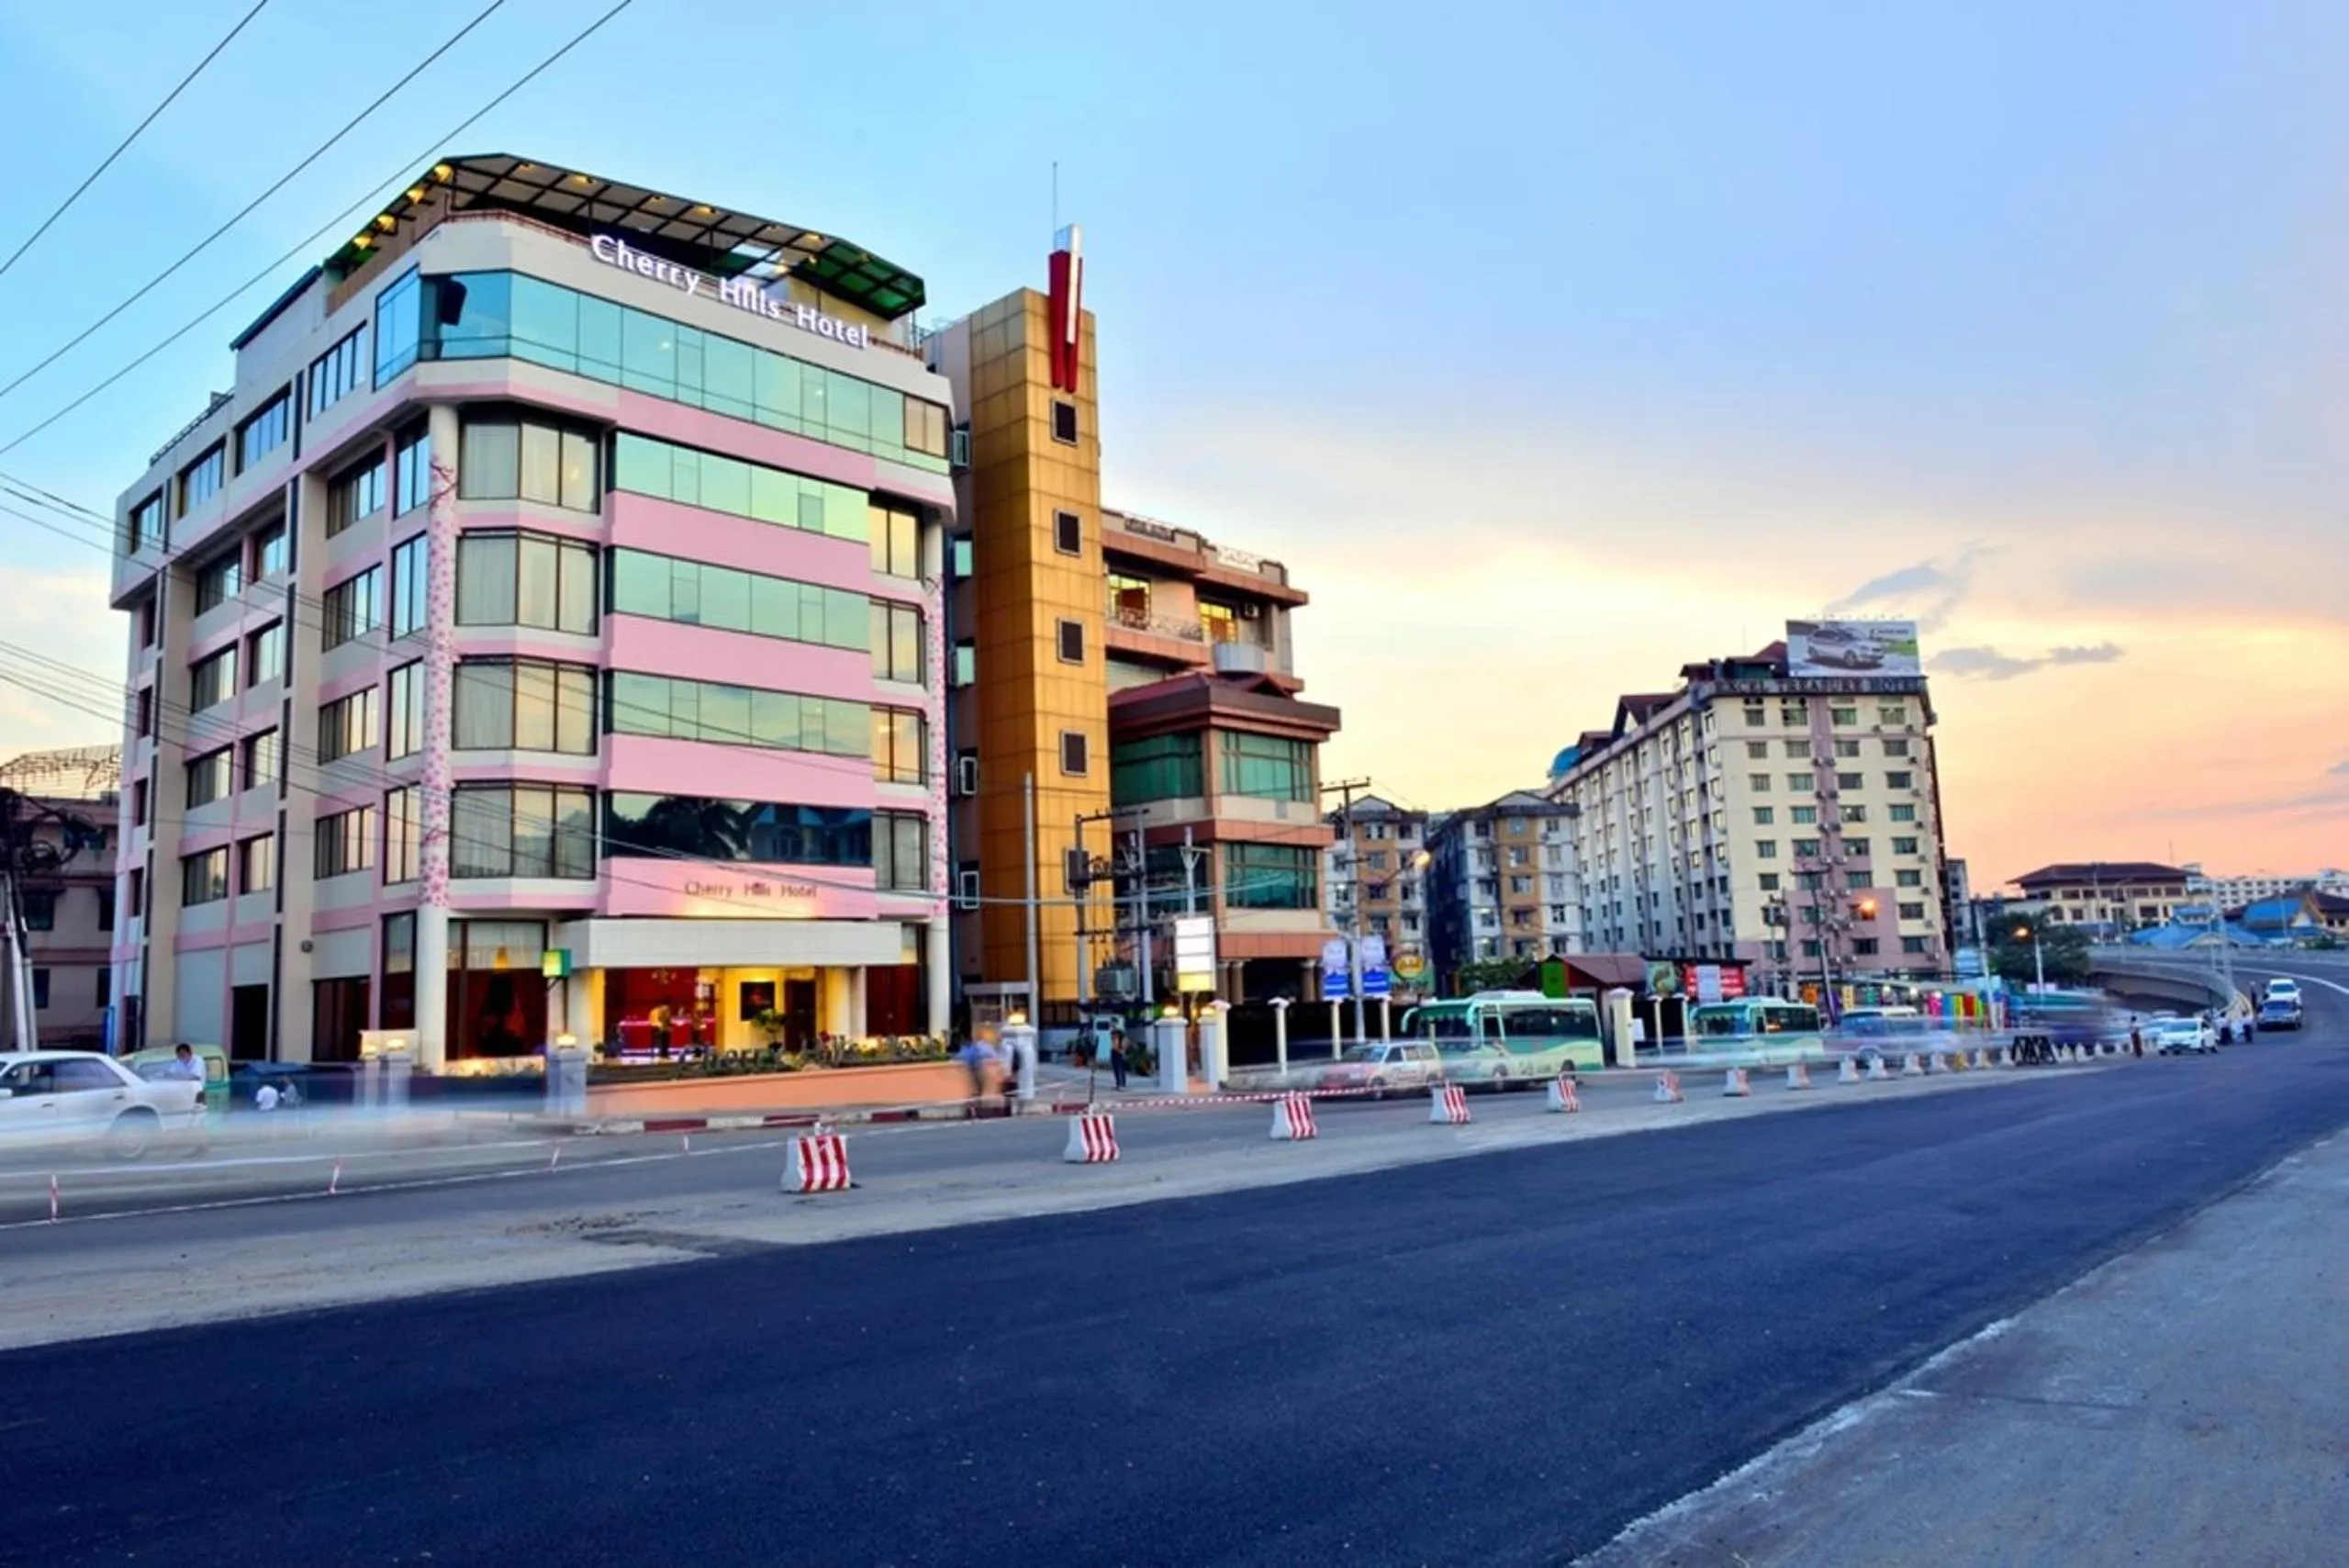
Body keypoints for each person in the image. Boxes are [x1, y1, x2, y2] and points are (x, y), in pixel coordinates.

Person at [1110, 1027, 1129, 1091]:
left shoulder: (1122, 1039)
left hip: (1118, 1054)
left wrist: (1122, 1051)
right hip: (1115, 1053)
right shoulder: (1115, 1039)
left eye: (1114, 1034)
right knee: (1116, 1070)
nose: (1113, 1036)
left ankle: (1122, 1084)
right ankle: (1118, 1083)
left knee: (1120, 1069)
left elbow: (1118, 1047)